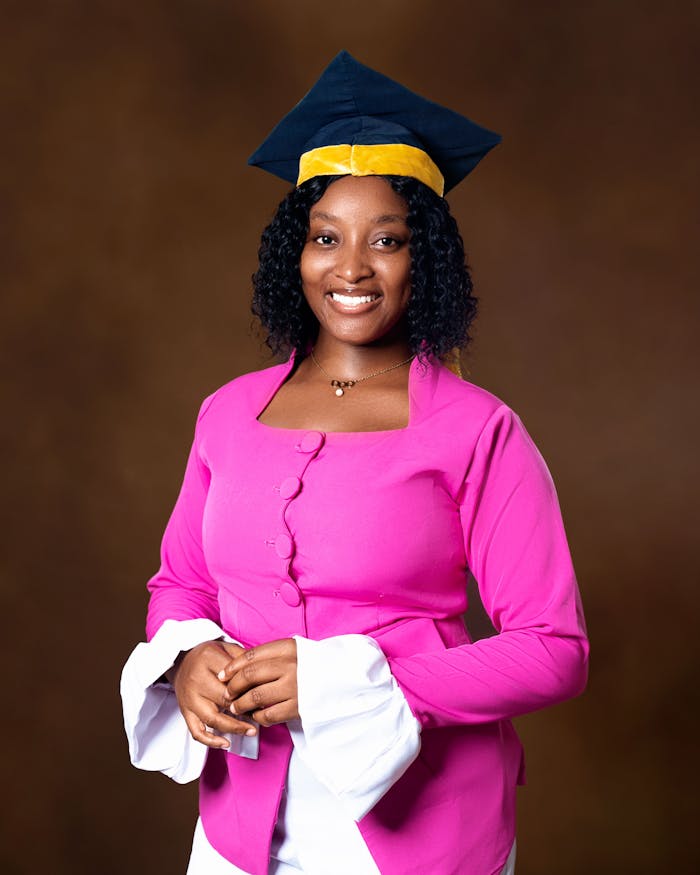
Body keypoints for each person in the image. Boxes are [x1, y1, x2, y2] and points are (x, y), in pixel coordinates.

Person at [120, 51, 589, 875]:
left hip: (424, 834)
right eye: (325, 237)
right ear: (292, 255)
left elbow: (554, 647)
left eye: (389, 240)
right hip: (241, 829)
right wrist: (187, 656)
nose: (352, 268)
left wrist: (348, 686)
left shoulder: (479, 430)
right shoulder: (227, 413)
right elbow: (181, 584)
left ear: (426, 258)